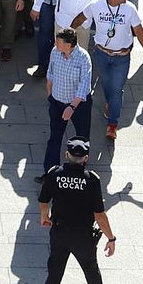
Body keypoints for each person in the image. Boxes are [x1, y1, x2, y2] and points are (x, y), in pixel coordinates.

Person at [36, 136, 121, 284]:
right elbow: (99, 215)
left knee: (53, 277)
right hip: (82, 237)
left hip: (59, 233)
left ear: (66, 155)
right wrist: (111, 238)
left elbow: (43, 200)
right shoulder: (91, 180)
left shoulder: (54, 174)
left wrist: (44, 216)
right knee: (91, 271)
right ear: (86, 159)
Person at [72, 0, 143, 141]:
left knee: (116, 89)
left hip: (122, 57)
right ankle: (111, 103)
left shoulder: (129, 9)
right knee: (106, 84)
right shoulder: (96, 5)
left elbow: (139, 30)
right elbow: (80, 18)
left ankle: (112, 124)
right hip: (101, 54)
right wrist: (68, 35)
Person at [39, 27, 94, 181]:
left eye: (58, 42)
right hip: (57, 102)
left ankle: (80, 175)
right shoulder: (55, 52)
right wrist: (50, 96)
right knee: (54, 139)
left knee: (82, 140)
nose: (55, 44)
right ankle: (50, 175)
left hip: (79, 106)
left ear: (68, 45)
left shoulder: (83, 58)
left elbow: (84, 86)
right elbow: (50, 74)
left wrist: (72, 107)